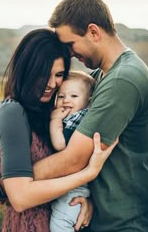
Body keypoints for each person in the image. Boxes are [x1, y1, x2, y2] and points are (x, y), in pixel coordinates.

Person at [32, 0, 148, 231]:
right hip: (107, 219)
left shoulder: (123, 79)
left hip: (131, 225)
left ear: (93, 32)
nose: (70, 54)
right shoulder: (99, 76)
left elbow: (73, 160)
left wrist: (11, 180)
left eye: (70, 44)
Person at [0, 28, 118, 232]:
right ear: (26, 69)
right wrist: (88, 174)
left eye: (58, 75)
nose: (50, 84)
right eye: (42, 74)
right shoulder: (11, 112)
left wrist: (83, 201)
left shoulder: (48, 110)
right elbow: (20, 198)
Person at [49, 71, 95, 231]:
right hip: (72, 186)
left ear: (88, 102)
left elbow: (60, 145)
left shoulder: (75, 123)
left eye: (74, 96)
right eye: (61, 96)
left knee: (59, 224)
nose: (66, 100)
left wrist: (55, 121)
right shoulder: (83, 117)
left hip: (73, 191)